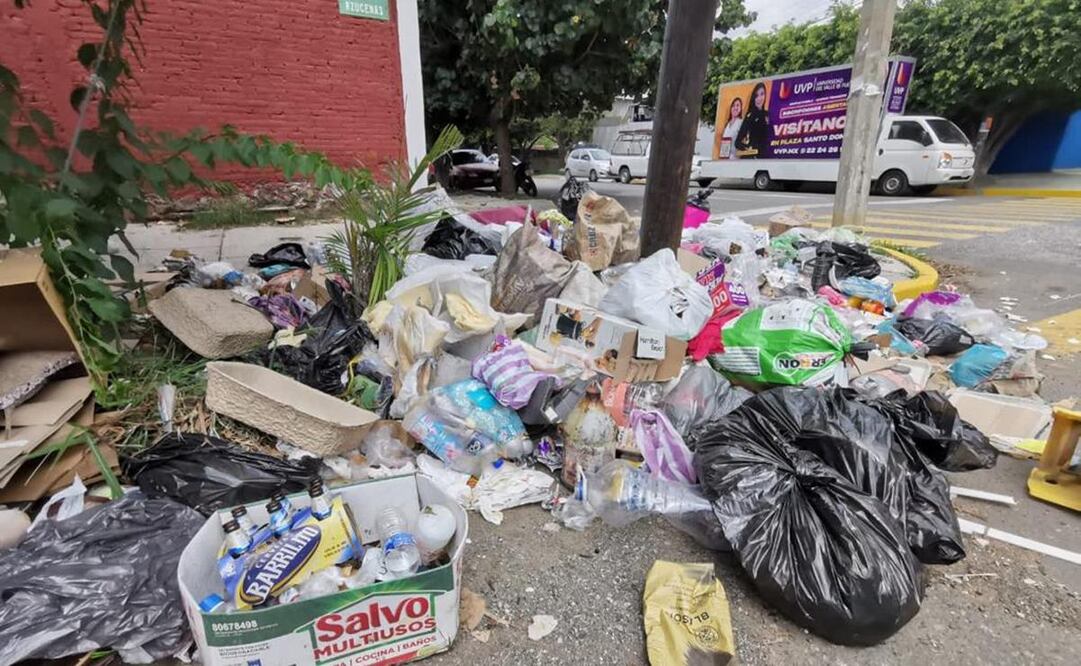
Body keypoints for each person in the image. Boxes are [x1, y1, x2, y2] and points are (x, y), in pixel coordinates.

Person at [735, 82, 769, 157]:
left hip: (767, 158)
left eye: (762, 94)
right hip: (753, 159)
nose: (759, 98)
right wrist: (750, 149)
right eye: (756, 96)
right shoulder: (750, 115)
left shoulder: (768, 114)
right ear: (753, 98)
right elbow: (737, 142)